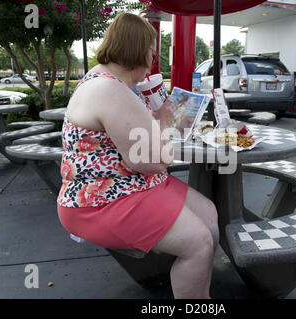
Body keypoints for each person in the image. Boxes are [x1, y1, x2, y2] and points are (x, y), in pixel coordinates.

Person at [56, 12, 219, 299]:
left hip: (131, 186)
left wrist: (157, 120)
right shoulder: (109, 89)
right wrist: (166, 123)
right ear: (138, 50)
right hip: (102, 201)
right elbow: (152, 161)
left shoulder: (111, 83)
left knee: (209, 212)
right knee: (200, 243)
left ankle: (199, 287)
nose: (151, 61)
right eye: (152, 52)